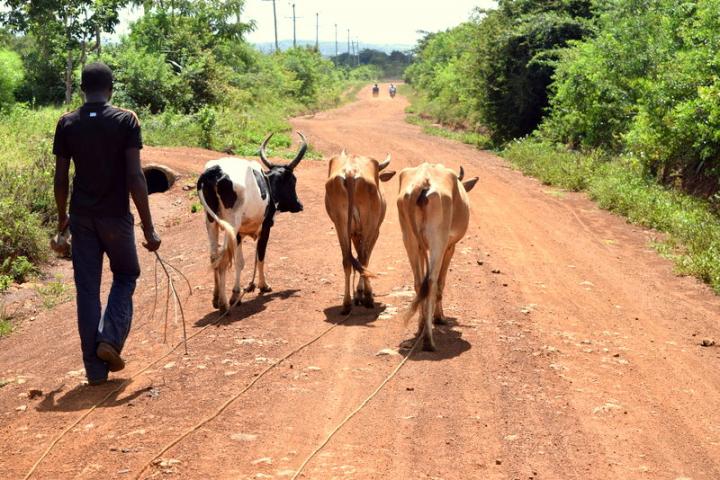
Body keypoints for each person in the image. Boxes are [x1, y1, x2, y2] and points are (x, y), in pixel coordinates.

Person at [53, 62, 161, 386]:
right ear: (111, 88)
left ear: (83, 89)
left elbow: (60, 178)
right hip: (116, 217)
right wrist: (148, 227)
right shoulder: (126, 120)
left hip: (82, 218)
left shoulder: (67, 123)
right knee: (126, 274)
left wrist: (62, 220)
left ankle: (94, 370)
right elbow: (135, 176)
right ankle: (110, 340)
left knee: (87, 289)